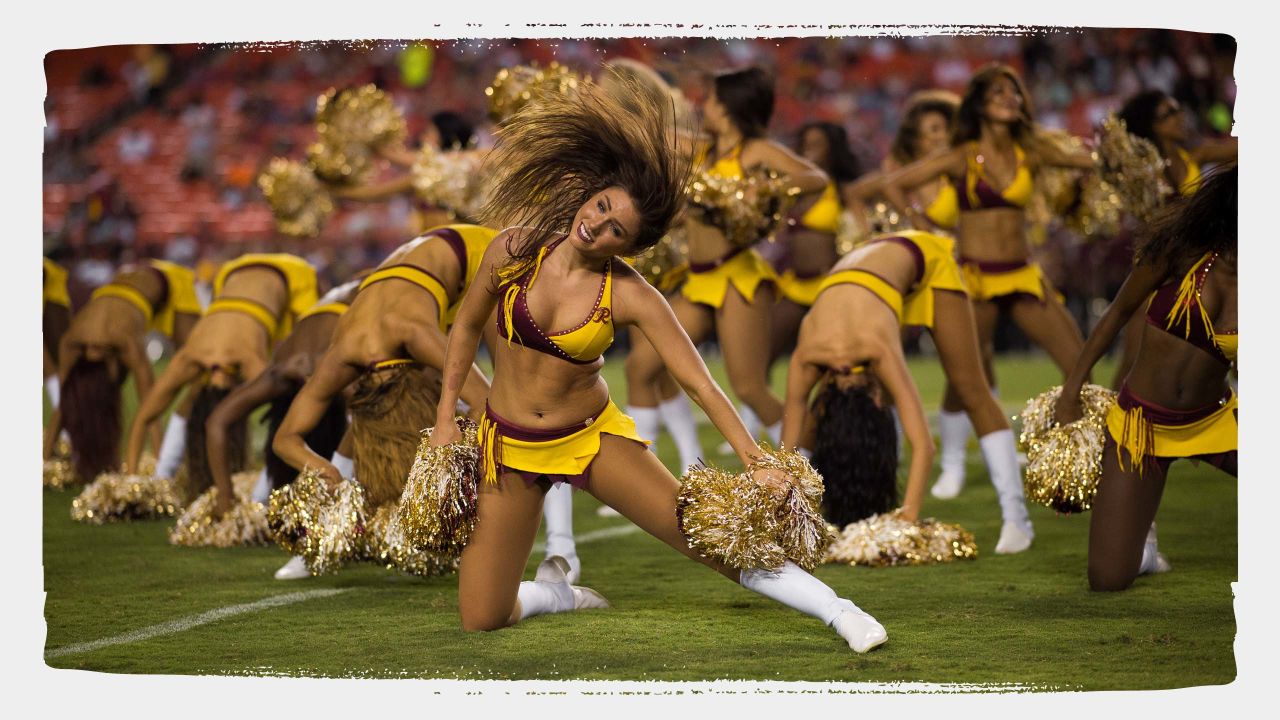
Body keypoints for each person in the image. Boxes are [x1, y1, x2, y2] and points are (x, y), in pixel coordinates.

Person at [427, 71, 887, 652]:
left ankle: (841, 612)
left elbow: (700, 382)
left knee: (708, 540)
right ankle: (556, 594)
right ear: (589, 195)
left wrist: (754, 459)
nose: (596, 225)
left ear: (629, 245)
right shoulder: (512, 249)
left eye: (615, 228)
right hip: (506, 443)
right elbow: (465, 327)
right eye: (600, 207)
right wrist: (448, 418)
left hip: (589, 439)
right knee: (481, 616)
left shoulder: (630, 292)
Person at [273, 224, 582, 581]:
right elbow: (286, 438)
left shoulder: (416, 335)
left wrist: (456, 475)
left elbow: (489, 406)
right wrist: (324, 471)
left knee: (524, 409)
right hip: (433, 289)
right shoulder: (343, 354)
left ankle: (563, 549)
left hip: (490, 261)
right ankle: (321, 536)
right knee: (371, 422)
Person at [883, 65, 1093, 501]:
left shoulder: (1030, 149)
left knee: (1079, 364)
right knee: (965, 376)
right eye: (998, 91)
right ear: (980, 103)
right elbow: (895, 183)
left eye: (1014, 91)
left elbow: (1087, 159)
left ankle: (1083, 457)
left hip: (1021, 273)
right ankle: (954, 465)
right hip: (974, 277)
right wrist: (923, 226)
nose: (1009, 97)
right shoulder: (962, 154)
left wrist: (1106, 164)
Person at [781, 230, 1033, 551]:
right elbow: (788, 455)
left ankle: (1016, 519)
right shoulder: (808, 357)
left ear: (876, 397)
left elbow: (923, 445)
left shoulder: (870, 348)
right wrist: (789, 516)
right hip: (869, 266)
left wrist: (909, 514)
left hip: (922, 258)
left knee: (970, 387)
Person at [625, 66, 830, 453]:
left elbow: (815, 177)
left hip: (738, 277)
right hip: (700, 280)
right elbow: (651, 135)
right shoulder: (703, 149)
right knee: (642, 365)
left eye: (713, 100)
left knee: (749, 387)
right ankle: (649, 466)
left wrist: (767, 188)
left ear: (731, 106)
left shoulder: (756, 151)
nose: (707, 106)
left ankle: (811, 458)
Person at [1055, 165, 1236, 591]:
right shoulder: (1182, 250)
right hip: (1141, 425)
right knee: (1107, 579)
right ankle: (1145, 556)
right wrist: (1071, 391)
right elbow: (1116, 313)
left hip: (1216, 421)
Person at [121, 253, 318, 503]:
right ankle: (167, 476)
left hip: (272, 275)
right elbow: (291, 426)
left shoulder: (195, 358)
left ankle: (164, 475)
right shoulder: (239, 360)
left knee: (194, 396)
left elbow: (143, 417)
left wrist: (128, 485)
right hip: (244, 271)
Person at [202, 280, 360, 577]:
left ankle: (287, 507)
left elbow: (216, 423)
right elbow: (216, 424)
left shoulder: (332, 371)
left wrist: (226, 499)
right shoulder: (285, 374)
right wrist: (225, 497)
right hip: (345, 305)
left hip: (361, 305)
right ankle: (268, 499)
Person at [1108, 90, 1239, 388]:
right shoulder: (1140, 170)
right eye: (1169, 114)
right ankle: (1110, 424)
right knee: (1132, 361)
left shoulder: (1196, 154)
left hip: (1200, 269)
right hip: (1159, 271)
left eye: (1179, 109)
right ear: (1151, 124)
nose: (1180, 117)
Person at [44, 258, 202, 484]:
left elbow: (152, 403)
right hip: (128, 278)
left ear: (111, 364)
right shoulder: (73, 341)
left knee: (197, 364)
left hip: (169, 280)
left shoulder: (118, 341)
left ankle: (169, 462)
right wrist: (44, 462)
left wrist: (159, 468)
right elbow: (67, 402)